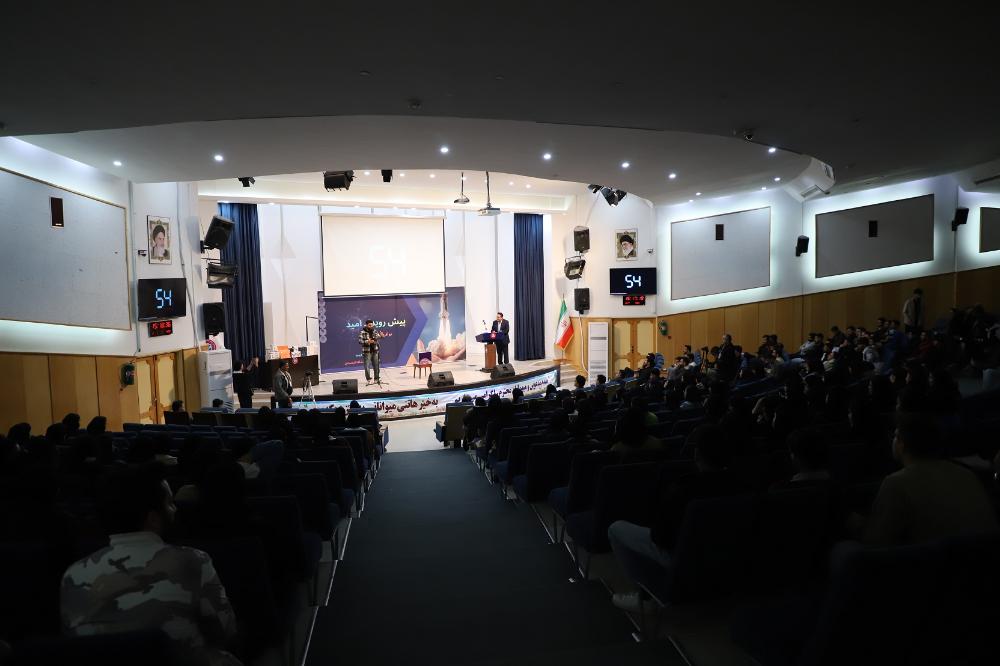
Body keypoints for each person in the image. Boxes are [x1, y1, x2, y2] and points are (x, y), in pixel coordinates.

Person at [60, 464, 240, 665]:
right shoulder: (193, 561)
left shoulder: (73, 574)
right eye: (170, 503)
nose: (175, 509)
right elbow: (226, 629)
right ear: (153, 519)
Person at [861, 413, 997, 546]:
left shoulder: (895, 484)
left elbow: (876, 542)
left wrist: (856, 524)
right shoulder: (967, 474)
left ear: (901, 444)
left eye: (895, 436)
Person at [358, 319, 383, 385]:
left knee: (376, 366)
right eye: (369, 325)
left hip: (375, 351)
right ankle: (369, 380)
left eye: (372, 325)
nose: (371, 326)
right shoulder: (362, 332)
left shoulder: (375, 331)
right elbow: (360, 341)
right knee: (367, 366)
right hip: (367, 352)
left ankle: (376, 379)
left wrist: (381, 336)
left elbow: (378, 337)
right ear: (366, 325)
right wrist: (367, 341)